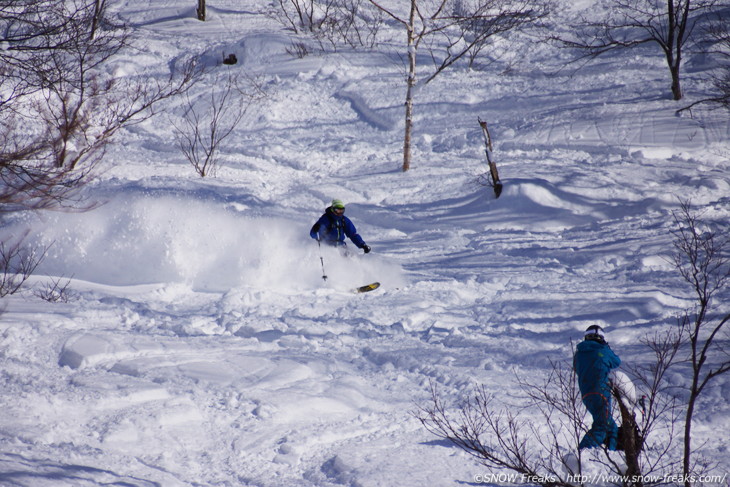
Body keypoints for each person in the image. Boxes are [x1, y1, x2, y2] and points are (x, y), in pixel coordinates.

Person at [573, 325, 621, 450]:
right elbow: (617, 362)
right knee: (602, 426)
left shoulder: (579, 354)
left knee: (611, 426)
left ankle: (612, 451)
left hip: (586, 394)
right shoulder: (603, 350)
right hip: (601, 392)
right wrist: (606, 348)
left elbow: (577, 369)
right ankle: (581, 452)